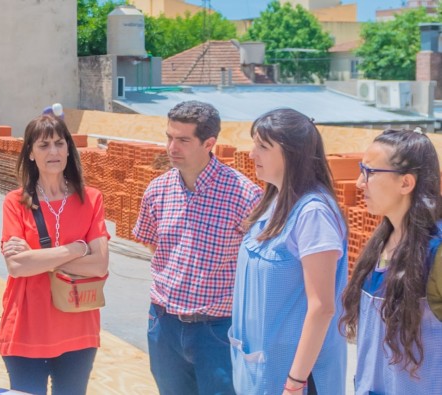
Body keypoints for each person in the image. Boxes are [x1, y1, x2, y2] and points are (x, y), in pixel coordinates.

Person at [132, 101, 261, 394]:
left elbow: (255, 269)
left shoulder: (244, 196)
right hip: (163, 325)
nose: (171, 147)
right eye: (169, 137)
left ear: (209, 143)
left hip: (217, 331)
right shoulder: (157, 190)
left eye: (183, 140)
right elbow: (156, 248)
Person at [230, 108, 347, 394]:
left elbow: (322, 308)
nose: (251, 153)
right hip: (260, 367)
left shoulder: (313, 213)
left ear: (291, 154)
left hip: (295, 378)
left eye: (262, 147)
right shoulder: (273, 201)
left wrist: (295, 382)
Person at [0, 115, 109, 395]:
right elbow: (17, 266)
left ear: (69, 149)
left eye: (60, 143)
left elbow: (99, 264)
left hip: (78, 327)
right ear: (31, 154)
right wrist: (77, 248)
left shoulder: (91, 198)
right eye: (44, 145)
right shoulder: (16, 202)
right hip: (27, 327)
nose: (54, 152)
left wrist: (38, 257)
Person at [340, 129, 442, 393]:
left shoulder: (437, 251)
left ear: (406, 183)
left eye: (370, 172)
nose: (360, 182)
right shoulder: (382, 242)